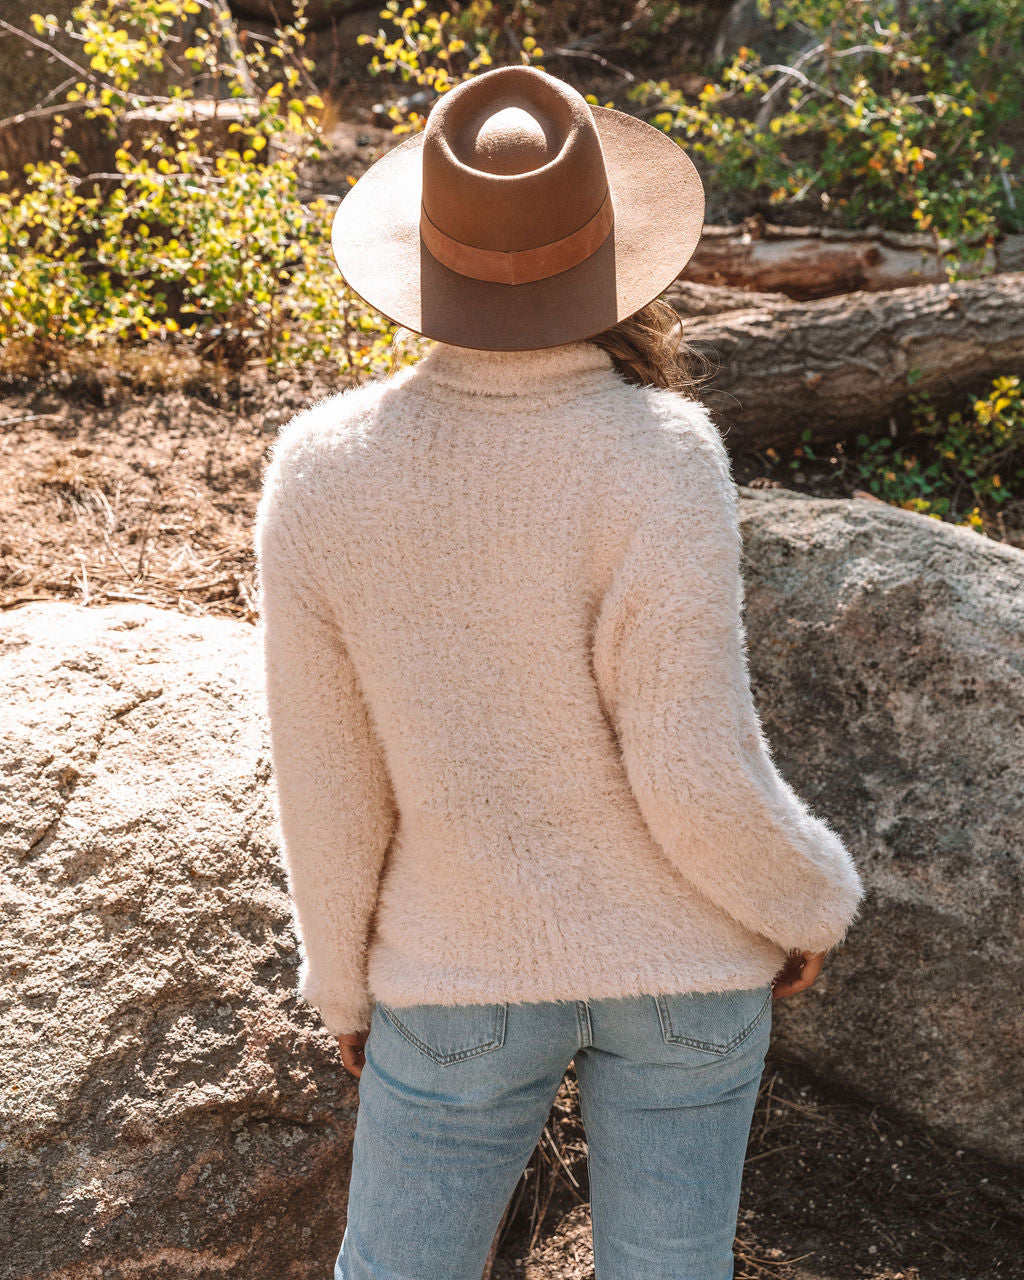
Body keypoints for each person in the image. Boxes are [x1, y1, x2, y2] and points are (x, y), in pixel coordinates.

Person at [254, 63, 866, 1280]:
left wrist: (342, 985)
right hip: (688, 963)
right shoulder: (662, 451)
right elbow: (691, 762)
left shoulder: (322, 471)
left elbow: (326, 779)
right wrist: (803, 901)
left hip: (457, 966)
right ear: (611, 253)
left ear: (424, 258)